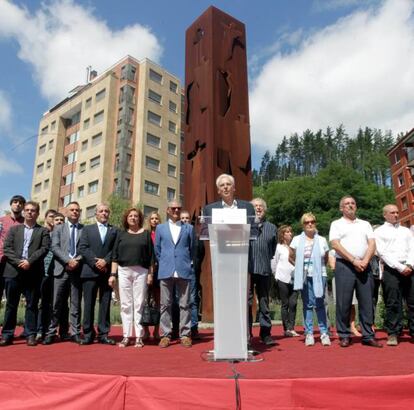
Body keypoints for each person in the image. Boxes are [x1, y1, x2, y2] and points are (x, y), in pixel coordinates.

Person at [329, 196, 381, 348]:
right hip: (345, 265)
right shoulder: (336, 224)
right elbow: (335, 244)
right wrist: (353, 260)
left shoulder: (365, 224)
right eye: (347, 204)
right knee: (344, 301)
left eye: (353, 203)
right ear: (341, 208)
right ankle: (344, 335)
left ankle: (368, 335)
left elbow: (372, 243)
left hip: (365, 265)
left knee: (367, 301)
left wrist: (365, 260)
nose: (350, 205)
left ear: (356, 207)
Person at [0, 201, 50, 346]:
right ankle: (7, 334)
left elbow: (44, 249)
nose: (29, 212)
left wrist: (29, 261)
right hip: (13, 272)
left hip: (33, 273)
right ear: (23, 212)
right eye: (27, 210)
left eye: (33, 210)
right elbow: (7, 248)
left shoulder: (43, 231)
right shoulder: (14, 230)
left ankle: (30, 334)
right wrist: (19, 262)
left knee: (32, 305)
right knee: (11, 305)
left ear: (37, 213)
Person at [111, 208, 154, 348]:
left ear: (139, 219)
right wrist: (112, 275)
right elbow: (115, 256)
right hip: (123, 271)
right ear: (126, 218)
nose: (133, 218)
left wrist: (150, 274)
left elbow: (151, 257)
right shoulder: (121, 234)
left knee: (139, 303)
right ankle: (126, 336)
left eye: (136, 216)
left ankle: (139, 337)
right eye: (130, 215)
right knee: (125, 304)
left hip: (141, 271)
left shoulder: (146, 234)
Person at [155, 200, 195, 348]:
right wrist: (165, 261)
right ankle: (165, 334)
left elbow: (193, 248)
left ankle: (185, 334)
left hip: (184, 269)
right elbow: (157, 249)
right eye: (173, 208)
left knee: (185, 304)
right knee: (165, 304)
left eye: (179, 208)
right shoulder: (160, 228)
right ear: (167, 210)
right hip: (166, 269)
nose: (176, 210)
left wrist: (187, 262)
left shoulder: (189, 228)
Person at [43, 202, 83, 345]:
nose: (74, 212)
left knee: (75, 304)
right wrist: (68, 260)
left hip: (77, 271)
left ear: (80, 212)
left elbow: (85, 248)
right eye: (72, 210)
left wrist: (76, 261)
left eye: (77, 210)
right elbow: (54, 247)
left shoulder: (84, 229)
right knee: (55, 303)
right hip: (60, 270)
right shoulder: (58, 229)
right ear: (66, 212)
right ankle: (51, 332)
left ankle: (75, 332)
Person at [374, 204, 414, 346]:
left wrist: (409, 264)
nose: (396, 215)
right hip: (391, 270)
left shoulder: (406, 231)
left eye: (397, 212)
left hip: (409, 268)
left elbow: (412, 248)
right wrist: (400, 267)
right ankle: (393, 333)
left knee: (412, 301)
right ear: (385, 215)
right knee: (392, 302)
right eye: (392, 212)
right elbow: (382, 253)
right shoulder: (379, 232)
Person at [78, 203, 118, 345]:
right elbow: (83, 247)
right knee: (88, 304)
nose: (104, 213)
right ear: (96, 213)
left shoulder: (114, 230)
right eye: (101, 211)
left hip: (106, 272)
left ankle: (103, 333)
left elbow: (115, 249)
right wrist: (96, 262)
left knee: (105, 303)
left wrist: (105, 261)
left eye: (106, 211)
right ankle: (88, 334)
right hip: (89, 271)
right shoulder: (87, 229)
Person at [291, 213, 330, 346]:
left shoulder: (322, 240)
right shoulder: (296, 240)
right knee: (307, 304)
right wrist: (299, 269)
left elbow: (325, 258)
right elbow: (292, 256)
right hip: (304, 276)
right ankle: (309, 333)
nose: (310, 224)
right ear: (303, 224)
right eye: (307, 222)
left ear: (315, 223)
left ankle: (324, 332)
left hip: (320, 275)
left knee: (320, 303)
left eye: (312, 221)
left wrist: (319, 269)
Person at [249, 198, 277, 346]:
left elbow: (272, 250)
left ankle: (265, 334)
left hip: (264, 269)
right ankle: (247, 334)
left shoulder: (272, 227)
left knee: (264, 302)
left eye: (261, 206)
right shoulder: (245, 226)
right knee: (247, 303)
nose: (258, 208)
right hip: (247, 270)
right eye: (255, 206)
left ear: (264, 210)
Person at [271, 225, 299, 337]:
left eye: (290, 232)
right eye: (287, 232)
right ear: (282, 235)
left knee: (294, 303)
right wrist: (275, 276)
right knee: (285, 303)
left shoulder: (295, 247)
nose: (289, 234)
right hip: (282, 277)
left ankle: (292, 328)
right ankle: (286, 328)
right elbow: (274, 261)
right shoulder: (278, 247)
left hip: (295, 278)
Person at [0, 195, 26, 314]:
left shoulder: (25, 223)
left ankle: (7, 331)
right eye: (15, 202)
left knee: (12, 300)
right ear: (11, 204)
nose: (17, 204)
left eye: (20, 203)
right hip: (1, 260)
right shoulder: (1, 220)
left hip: (14, 264)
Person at [36, 208, 56, 341]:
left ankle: (48, 330)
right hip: (39, 271)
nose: (53, 219)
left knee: (49, 303)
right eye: (51, 216)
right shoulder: (39, 232)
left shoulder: (58, 234)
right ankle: (37, 330)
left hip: (53, 272)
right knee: (37, 302)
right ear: (45, 218)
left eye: (55, 217)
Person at [143, 210, 161, 341]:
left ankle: (156, 331)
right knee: (144, 300)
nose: (154, 220)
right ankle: (145, 331)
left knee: (158, 301)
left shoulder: (162, 233)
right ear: (149, 221)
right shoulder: (145, 234)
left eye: (157, 219)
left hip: (160, 270)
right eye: (152, 219)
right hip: (146, 269)